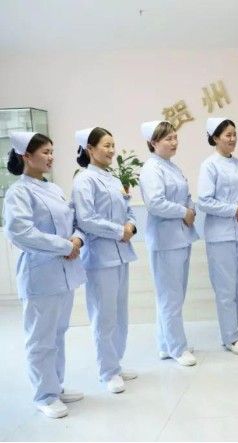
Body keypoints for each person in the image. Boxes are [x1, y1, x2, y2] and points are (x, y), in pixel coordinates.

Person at [3, 131, 86, 418]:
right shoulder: (18, 193)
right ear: (26, 156)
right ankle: (44, 395)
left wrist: (77, 239)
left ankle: (56, 386)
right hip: (40, 275)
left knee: (58, 333)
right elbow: (21, 233)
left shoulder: (54, 189)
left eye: (52, 151)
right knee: (40, 338)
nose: (51, 157)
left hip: (65, 273)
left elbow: (73, 220)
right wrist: (64, 246)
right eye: (45, 152)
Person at [72, 127, 138, 393]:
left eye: (113, 145)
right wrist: (119, 231)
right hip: (100, 258)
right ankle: (107, 371)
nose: (111, 150)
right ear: (90, 149)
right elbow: (86, 219)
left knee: (120, 314)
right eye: (106, 145)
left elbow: (128, 210)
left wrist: (131, 225)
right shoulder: (84, 180)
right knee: (104, 315)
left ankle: (116, 364)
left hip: (121, 255)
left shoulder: (112, 178)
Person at [139, 120, 199, 366]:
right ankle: (177, 348)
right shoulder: (151, 169)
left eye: (175, 137)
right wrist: (184, 212)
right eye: (168, 139)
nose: (174, 142)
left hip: (181, 236)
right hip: (165, 240)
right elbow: (155, 203)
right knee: (170, 297)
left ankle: (166, 344)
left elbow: (187, 195)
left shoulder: (171, 166)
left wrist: (190, 209)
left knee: (174, 295)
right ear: (153, 143)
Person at [197, 118, 238, 355]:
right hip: (220, 236)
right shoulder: (209, 166)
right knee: (225, 290)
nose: (232, 139)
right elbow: (204, 201)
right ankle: (230, 338)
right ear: (215, 138)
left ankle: (232, 332)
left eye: (234, 134)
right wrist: (235, 210)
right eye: (227, 135)